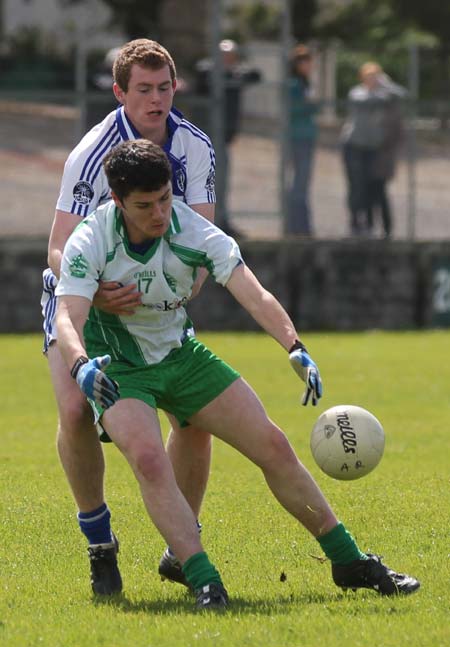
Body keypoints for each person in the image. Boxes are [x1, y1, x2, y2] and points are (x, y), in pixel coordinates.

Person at [55, 139, 420, 610]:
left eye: (165, 198)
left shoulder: (194, 231)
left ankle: (348, 561)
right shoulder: (92, 237)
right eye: (144, 206)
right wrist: (81, 365)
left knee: (272, 444)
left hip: (182, 356)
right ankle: (205, 579)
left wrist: (294, 346)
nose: (159, 213)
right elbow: (68, 315)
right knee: (147, 459)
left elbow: (254, 293)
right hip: (118, 369)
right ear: (118, 200)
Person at [40, 38, 217, 596]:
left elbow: (205, 241)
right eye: (143, 89)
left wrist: (173, 289)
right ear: (120, 93)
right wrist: (100, 291)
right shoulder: (92, 153)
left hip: (157, 304)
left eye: (164, 87)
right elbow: (57, 247)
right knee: (74, 411)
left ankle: (180, 547)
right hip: (86, 297)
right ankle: (100, 544)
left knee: (194, 419)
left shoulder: (195, 148)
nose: (156, 99)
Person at [194, 39, 261, 237]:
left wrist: (234, 73)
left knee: (222, 182)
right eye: (224, 56)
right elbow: (203, 74)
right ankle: (212, 222)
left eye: (231, 57)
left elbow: (256, 75)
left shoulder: (234, 74)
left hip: (224, 137)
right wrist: (227, 72)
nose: (228, 60)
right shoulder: (207, 70)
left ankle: (221, 220)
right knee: (210, 183)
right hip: (208, 137)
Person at [341, 62, 406, 237]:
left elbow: (402, 94)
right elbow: (365, 102)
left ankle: (373, 226)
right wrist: (383, 93)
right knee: (356, 186)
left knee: (372, 186)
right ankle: (355, 222)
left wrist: (386, 84)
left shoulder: (384, 93)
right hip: (354, 146)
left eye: (375, 76)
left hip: (372, 148)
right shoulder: (357, 92)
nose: (372, 80)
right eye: (369, 76)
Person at [287, 44, 319, 236]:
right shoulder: (294, 84)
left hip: (307, 136)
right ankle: (297, 225)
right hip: (297, 136)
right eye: (304, 62)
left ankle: (302, 224)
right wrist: (309, 106)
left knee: (304, 182)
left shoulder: (306, 83)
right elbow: (292, 109)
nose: (308, 66)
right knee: (299, 182)